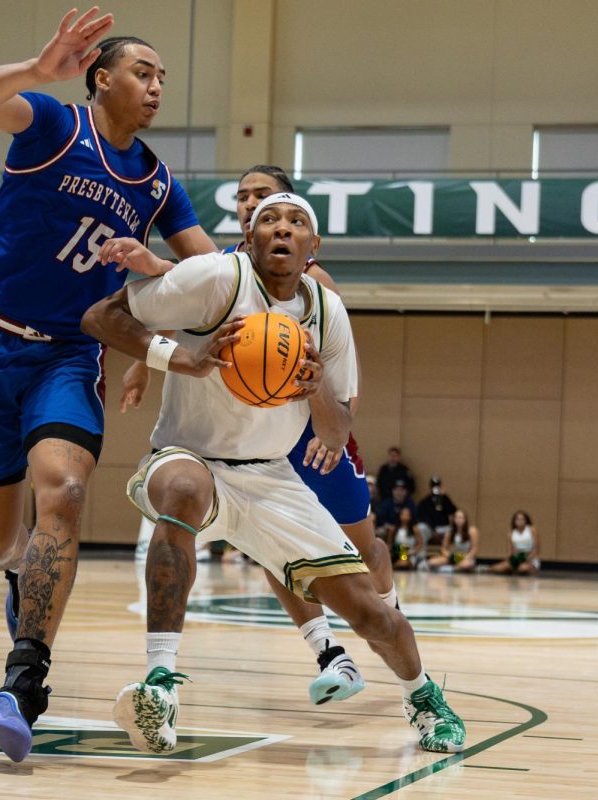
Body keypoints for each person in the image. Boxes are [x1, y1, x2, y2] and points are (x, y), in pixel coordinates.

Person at [82, 191, 465, 756]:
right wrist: (178, 357)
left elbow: (337, 431)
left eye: (295, 223)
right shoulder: (216, 278)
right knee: (183, 489)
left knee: (371, 612)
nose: (281, 230)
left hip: (271, 476)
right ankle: (159, 687)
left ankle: (423, 696)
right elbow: (100, 317)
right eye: (268, 221)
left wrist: (313, 390)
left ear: (314, 246)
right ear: (250, 236)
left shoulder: (326, 311)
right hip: (191, 456)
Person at [0, 9, 218, 760]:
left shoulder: (159, 182)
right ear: (102, 79)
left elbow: (206, 275)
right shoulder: (52, 125)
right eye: (144, 72)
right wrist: (39, 68)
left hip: (72, 353)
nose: (158, 85)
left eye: (164, 76)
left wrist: (164, 270)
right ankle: (19, 578)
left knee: (64, 493)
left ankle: (23, 682)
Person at [121, 164, 399, 704]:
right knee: (275, 550)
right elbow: (178, 297)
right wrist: (144, 362)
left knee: (364, 551)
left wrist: (332, 429)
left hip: (312, 432)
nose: (252, 204)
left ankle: (392, 615)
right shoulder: (229, 264)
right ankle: (330, 654)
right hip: (254, 432)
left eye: (265, 196)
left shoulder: (315, 284)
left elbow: (344, 389)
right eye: (245, 197)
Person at [491, 510, 539, 575]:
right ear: (514, 521)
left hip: (530, 559)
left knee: (524, 568)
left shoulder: (532, 530)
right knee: (499, 567)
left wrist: (527, 559)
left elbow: (536, 549)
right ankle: (486, 569)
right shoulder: (511, 533)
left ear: (526, 520)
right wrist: (515, 560)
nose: (520, 521)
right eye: (518, 519)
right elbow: (511, 551)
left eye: (522, 519)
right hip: (517, 558)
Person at [415, 475, 457, 547]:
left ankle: (448, 554)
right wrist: (432, 530)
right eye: (434, 486)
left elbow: (453, 511)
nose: (436, 488)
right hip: (431, 528)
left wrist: (445, 497)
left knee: (452, 531)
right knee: (420, 528)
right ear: (430, 487)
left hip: (444, 528)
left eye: (437, 486)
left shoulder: (445, 499)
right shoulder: (425, 501)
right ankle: (421, 555)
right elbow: (422, 517)